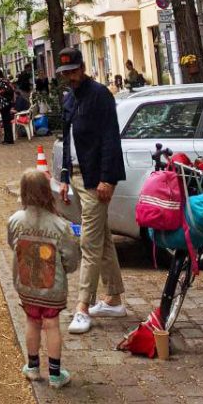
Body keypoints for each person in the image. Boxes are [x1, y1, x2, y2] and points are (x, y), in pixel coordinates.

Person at [55, 47, 127, 335]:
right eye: (65, 74)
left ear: (82, 68)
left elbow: (111, 137)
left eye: (73, 71)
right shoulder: (70, 99)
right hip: (76, 178)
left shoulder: (99, 95)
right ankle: (114, 298)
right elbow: (67, 138)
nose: (70, 77)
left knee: (89, 242)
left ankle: (83, 307)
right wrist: (62, 175)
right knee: (102, 238)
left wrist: (107, 178)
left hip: (96, 180)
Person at [8, 168, 80, 390]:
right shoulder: (60, 226)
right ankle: (56, 374)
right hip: (52, 287)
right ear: (48, 193)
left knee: (32, 321)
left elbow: (13, 244)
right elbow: (71, 257)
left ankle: (32, 367)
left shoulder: (15, 220)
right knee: (51, 325)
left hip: (27, 284)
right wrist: (63, 270)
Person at [0, 67, 16, 144]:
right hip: (4, 104)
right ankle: (7, 138)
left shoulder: (2, 81)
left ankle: (9, 139)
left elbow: (8, 90)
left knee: (6, 121)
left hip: (5, 104)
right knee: (5, 121)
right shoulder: (4, 80)